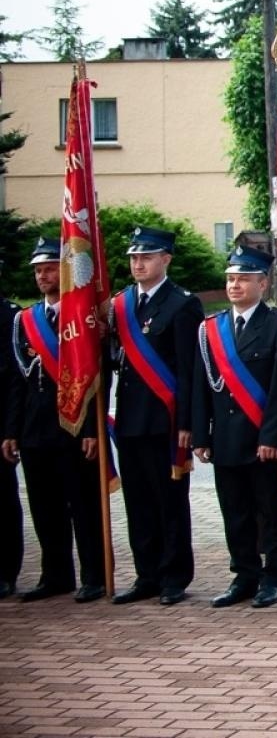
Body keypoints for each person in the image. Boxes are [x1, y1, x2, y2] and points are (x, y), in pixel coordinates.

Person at [191, 244, 277, 608]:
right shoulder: (210, 329)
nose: (235, 286)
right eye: (231, 279)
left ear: (262, 284)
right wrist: (201, 436)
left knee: (269, 512)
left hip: (260, 440)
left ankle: (273, 577)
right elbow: (200, 386)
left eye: (243, 279)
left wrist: (271, 436)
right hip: (225, 440)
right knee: (234, 512)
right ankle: (244, 576)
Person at [4, 237, 106, 603]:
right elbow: (18, 381)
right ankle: (55, 575)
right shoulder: (25, 320)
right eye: (37, 270)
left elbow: (96, 378)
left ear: (63, 272)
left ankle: (94, 574)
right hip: (35, 430)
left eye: (49, 269)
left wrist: (94, 430)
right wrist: (12, 431)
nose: (42, 276)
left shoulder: (81, 317)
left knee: (83, 507)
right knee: (44, 508)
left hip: (75, 427)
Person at [110, 226, 203, 606]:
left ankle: (173, 575)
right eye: (134, 258)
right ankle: (146, 573)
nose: (138, 264)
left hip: (164, 421)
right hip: (131, 418)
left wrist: (186, 423)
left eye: (146, 257)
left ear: (165, 259)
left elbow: (188, 370)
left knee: (169, 501)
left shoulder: (183, 304)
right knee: (138, 501)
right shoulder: (121, 304)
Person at [0, 289, 20, 600]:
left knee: (2, 503)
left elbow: (16, 378)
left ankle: (5, 572)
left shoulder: (9, 316)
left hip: (0, 424)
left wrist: (10, 429)